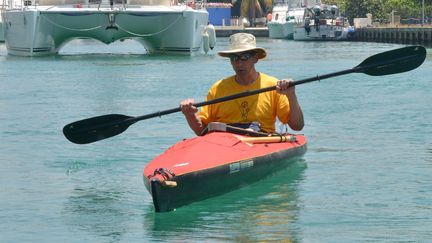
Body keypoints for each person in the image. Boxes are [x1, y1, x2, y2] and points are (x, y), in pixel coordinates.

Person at [180, 33, 304, 136]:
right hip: (225, 143)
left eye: (244, 56)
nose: (239, 63)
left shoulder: (273, 86)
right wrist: (190, 115)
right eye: (234, 58)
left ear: (256, 58)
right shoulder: (218, 89)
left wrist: (291, 95)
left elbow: (297, 126)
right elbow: (201, 131)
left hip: (260, 140)